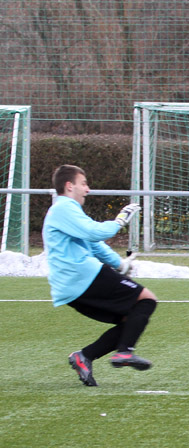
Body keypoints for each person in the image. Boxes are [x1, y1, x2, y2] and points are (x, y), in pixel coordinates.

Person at [43, 164, 157, 386]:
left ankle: (84, 356)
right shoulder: (64, 208)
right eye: (84, 184)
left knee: (131, 319)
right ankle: (124, 352)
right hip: (84, 276)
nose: (88, 189)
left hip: (70, 288)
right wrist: (120, 220)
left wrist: (120, 264)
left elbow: (93, 244)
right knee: (147, 300)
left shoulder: (65, 211)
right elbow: (94, 232)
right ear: (69, 186)